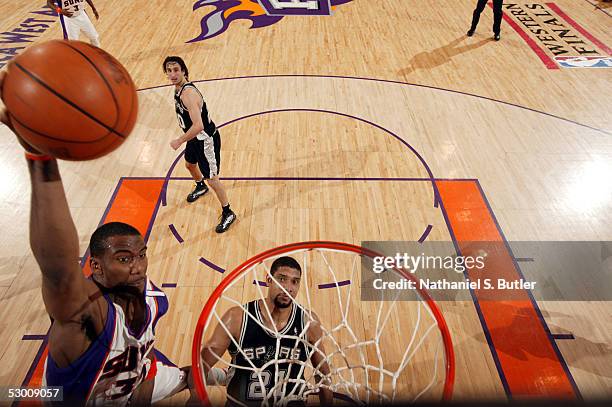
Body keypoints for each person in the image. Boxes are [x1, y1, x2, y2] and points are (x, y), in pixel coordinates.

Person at [0, 71, 189, 405]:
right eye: (124, 258)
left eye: (141, 254)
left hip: (129, 385)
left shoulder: (152, 298)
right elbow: (57, 267)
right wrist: (40, 159)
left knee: (194, 375)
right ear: (96, 267)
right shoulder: (84, 314)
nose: (138, 267)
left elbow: (143, 368)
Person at [200, 257, 333, 406]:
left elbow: (323, 374)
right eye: (282, 279)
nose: (288, 288)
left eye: (294, 281)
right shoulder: (237, 318)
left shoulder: (308, 322)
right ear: (269, 280)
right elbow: (202, 364)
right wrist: (194, 395)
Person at [163, 56, 236, 234]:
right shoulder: (178, 89)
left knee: (212, 178)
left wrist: (180, 140)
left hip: (205, 140)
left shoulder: (188, 94)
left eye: (176, 70)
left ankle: (228, 212)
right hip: (194, 138)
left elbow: (199, 125)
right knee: (189, 165)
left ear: (184, 71)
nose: (172, 74)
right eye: (169, 70)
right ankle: (200, 186)